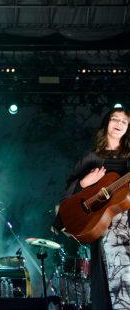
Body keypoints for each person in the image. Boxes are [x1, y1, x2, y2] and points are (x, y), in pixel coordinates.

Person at [55, 107, 130, 310]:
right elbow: (70, 190)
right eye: (115, 119)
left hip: (127, 225)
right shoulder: (92, 158)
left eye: (124, 121)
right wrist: (83, 184)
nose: (119, 123)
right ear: (107, 123)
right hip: (101, 225)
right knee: (106, 283)